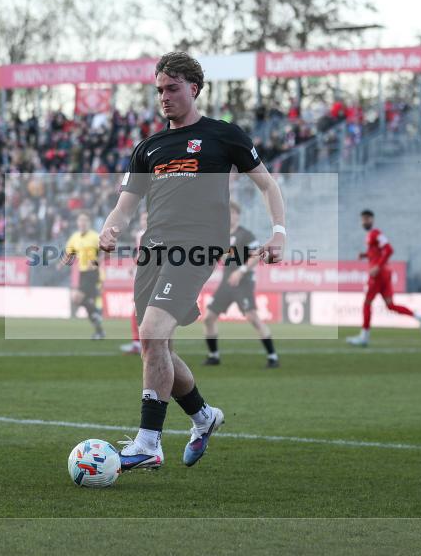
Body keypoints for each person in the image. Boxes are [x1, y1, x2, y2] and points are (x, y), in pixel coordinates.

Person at [98, 52, 286, 471]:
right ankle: (203, 417)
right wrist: (110, 228)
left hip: (197, 246)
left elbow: (268, 186)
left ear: (193, 88)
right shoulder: (148, 147)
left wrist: (279, 232)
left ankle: (148, 444)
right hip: (153, 249)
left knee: (150, 333)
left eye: (172, 88)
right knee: (157, 345)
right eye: (159, 90)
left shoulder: (224, 135)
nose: (164, 97)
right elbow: (125, 207)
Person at [203, 201, 279, 368]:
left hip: (243, 282)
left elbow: (257, 255)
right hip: (226, 281)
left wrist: (241, 270)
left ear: (238, 215)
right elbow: (223, 256)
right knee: (208, 318)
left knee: (252, 317)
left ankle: (273, 357)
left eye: (234, 212)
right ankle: (213, 356)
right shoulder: (222, 235)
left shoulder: (246, 234)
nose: (231, 216)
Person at [347, 210, 421, 346]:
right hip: (385, 274)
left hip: (378, 275)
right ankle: (419, 317)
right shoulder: (372, 236)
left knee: (366, 303)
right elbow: (376, 252)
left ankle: (364, 337)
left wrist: (377, 266)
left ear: (372, 219)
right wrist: (365, 255)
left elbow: (389, 249)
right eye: (363, 219)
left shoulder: (375, 233)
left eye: (367, 219)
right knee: (390, 305)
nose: (364, 222)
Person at [60, 212, 105, 340]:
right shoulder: (75, 237)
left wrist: (95, 263)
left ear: (89, 223)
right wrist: (61, 264)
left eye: (85, 220)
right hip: (82, 273)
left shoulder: (95, 237)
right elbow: (70, 253)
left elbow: (106, 253)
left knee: (76, 298)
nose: (82, 223)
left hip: (93, 273)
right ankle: (99, 331)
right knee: (88, 304)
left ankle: (97, 313)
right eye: (80, 220)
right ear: (77, 223)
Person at [120, 210, 149, 354]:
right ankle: (140, 343)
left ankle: (141, 343)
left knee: (141, 311)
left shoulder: (156, 235)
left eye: (147, 218)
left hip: (151, 278)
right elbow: (140, 254)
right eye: (143, 218)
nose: (145, 221)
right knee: (139, 311)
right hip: (143, 278)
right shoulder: (140, 234)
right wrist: (134, 266)